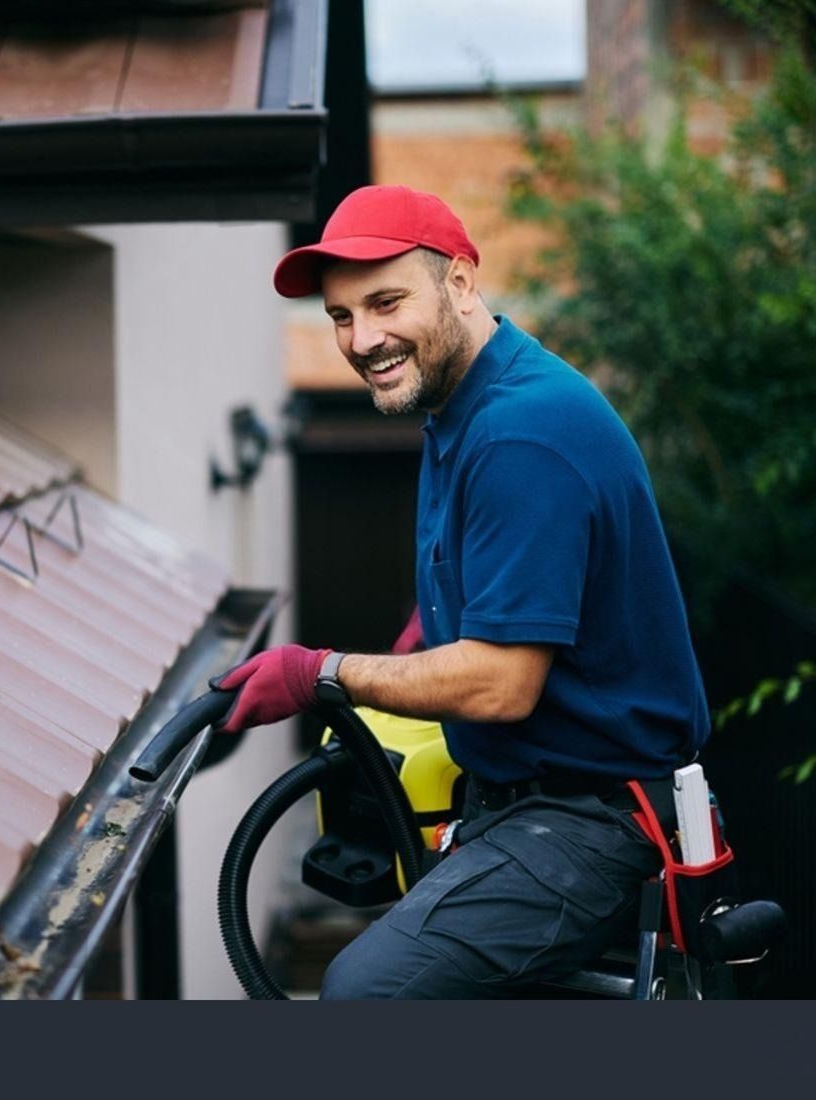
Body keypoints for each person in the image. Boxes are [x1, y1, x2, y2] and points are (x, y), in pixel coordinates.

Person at [212, 184, 711, 998]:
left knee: (365, 994)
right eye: (342, 316)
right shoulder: (462, 409)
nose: (363, 338)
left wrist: (321, 673)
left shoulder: (523, 432)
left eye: (386, 301)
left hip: (594, 823)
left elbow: (502, 683)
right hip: (519, 801)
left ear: (462, 282)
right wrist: (409, 646)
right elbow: (477, 586)